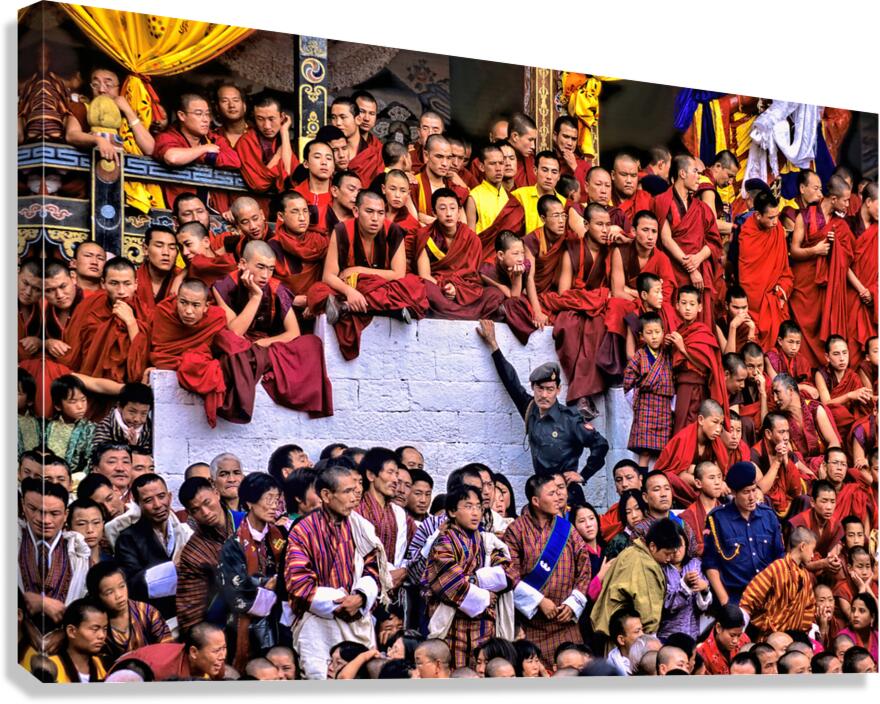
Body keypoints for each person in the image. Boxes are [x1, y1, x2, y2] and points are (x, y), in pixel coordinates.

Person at [477, 319, 609, 507]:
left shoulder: (569, 418)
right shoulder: (530, 409)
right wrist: (493, 345)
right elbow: (511, 382)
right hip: (541, 495)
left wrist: (584, 474)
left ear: (558, 390)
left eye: (549, 389)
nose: (544, 395)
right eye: (540, 389)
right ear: (533, 388)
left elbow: (601, 445)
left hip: (567, 497)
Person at [284, 464, 390, 680]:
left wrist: (360, 598)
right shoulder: (303, 530)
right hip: (318, 625)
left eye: (355, 491)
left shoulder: (361, 526)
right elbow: (298, 584)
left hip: (357, 618)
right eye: (347, 492)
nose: (354, 498)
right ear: (326, 495)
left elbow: (373, 567)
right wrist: (342, 602)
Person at [212, 240, 333, 421]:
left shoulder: (277, 288)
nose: (265, 275)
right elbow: (235, 332)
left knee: (311, 343)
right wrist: (256, 297)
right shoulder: (223, 286)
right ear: (243, 264)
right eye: (260, 267)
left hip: (262, 345)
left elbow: (293, 333)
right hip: (236, 345)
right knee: (230, 344)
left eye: (270, 269)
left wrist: (261, 343)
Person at [307, 189, 429, 360]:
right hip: (353, 288)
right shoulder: (342, 231)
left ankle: (345, 308)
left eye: (380, 213)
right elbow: (328, 276)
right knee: (317, 291)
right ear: (356, 212)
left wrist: (359, 270)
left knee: (414, 285)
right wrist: (350, 292)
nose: (375, 219)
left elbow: (399, 274)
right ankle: (392, 309)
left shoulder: (393, 231)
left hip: (380, 285)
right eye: (369, 212)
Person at [502, 475, 591, 669]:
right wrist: (539, 601)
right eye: (551, 493)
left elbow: (584, 569)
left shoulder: (567, 529)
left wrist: (572, 604)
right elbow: (509, 574)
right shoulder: (515, 531)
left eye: (559, 492)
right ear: (535, 501)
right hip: (532, 626)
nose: (559, 497)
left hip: (566, 623)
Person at [424, 485, 513, 668]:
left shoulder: (487, 541)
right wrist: (486, 596)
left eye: (479, 507)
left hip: (484, 629)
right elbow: (452, 585)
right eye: (468, 506)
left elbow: (507, 574)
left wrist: (474, 580)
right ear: (452, 511)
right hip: (452, 627)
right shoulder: (444, 542)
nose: (476, 513)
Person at [217, 472, 287, 670]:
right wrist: (268, 584)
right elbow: (236, 592)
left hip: (280, 620)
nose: (275, 506)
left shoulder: (279, 535)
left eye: (277, 499)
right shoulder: (235, 544)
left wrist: (274, 584)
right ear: (249, 503)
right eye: (268, 499)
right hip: (246, 626)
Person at [135, 279, 227, 426]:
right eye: (183, 302)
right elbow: (159, 354)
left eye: (196, 305)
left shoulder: (216, 317)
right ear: (176, 300)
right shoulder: (164, 312)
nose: (188, 311)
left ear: (206, 306)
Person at [789, 175, 857, 368]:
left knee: (823, 328)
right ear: (833, 199)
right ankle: (804, 370)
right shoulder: (805, 216)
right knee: (803, 328)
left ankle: (823, 371)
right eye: (845, 200)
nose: (848, 205)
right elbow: (794, 251)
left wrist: (837, 247)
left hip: (826, 289)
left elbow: (849, 259)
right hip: (805, 285)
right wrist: (815, 250)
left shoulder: (840, 226)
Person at [114, 473, 193, 627]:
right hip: (152, 621)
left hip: (187, 614)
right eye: (148, 500)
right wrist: (172, 568)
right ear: (138, 504)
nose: (158, 505)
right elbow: (131, 586)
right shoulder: (128, 538)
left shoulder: (183, 531)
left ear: (169, 497)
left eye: (161, 496)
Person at [703, 461, 785, 606]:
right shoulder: (718, 519)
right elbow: (711, 564)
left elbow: (779, 558)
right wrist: (726, 603)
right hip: (736, 598)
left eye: (754, 490)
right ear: (734, 493)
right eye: (746, 492)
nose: (752, 497)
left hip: (768, 596)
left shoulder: (768, 516)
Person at [415, 188, 505, 319]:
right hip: (439, 289)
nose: (448, 214)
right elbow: (424, 275)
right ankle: (469, 315)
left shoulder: (471, 239)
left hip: (465, 293)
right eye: (442, 208)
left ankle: (450, 313)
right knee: (424, 287)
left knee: (495, 294)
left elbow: (472, 276)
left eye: (452, 208)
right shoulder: (424, 235)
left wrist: (457, 289)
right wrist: (444, 287)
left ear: (459, 212)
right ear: (434, 212)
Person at [18, 478, 90, 637]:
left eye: (54, 513)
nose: (44, 520)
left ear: (65, 515)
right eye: (34, 509)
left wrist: (64, 633)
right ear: (23, 506)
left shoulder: (78, 553)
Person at [591, 518, 684, 637]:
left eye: (672, 554)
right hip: (629, 638)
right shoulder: (646, 566)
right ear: (652, 546)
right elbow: (648, 617)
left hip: (615, 631)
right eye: (666, 553)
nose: (669, 558)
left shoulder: (630, 551)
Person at [60, 258, 145, 385]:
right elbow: (72, 354)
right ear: (103, 283)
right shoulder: (88, 307)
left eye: (127, 284)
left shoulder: (145, 313)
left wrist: (131, 322)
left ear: (136, 284)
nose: (121, 291)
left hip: (129, 390)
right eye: (114, 283)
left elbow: (141, 367)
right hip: (90, 384)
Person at [175, 476, 244, 632]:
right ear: (189, 513)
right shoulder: (194, 553)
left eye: (207, 503)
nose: (205, 512)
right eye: (196, 510)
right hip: (224, 625)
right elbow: (191, 609)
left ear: (216, 493)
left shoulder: (247, 523)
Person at [153, 93, 241, 210]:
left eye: (207, 114)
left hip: (213, 208)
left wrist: (204, 157)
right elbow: (172, 157)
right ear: (182, 116)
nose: (205, 120)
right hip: (182, 209)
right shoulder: (167, 137)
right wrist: (203, 149)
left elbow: (234, 161)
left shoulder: (214, 139)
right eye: (199, 114)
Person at [735, 191, 793, 349]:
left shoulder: (778, 229)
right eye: (771, 217)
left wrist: (781, 290)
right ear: (758, 215)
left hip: (774, 300)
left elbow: (784, 268)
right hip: (753, 304)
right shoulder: (747, 235)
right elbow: (748, 279)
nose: (775, 222)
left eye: (777, 216)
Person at [666, 285, 727, 435]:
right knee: (680, 427)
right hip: (680, 387)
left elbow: (706, 364)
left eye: (692, 304)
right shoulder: (679, 331)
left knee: (690, 428)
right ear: (677, 305)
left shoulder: (703, 332)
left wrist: (682, 348)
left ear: (700, 307)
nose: (688, 308)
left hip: (695, 388)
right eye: (684, 303)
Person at [739, 526, 818, 639]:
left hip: (793, 638)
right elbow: (752, 595)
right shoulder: (777, 568)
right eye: (812, 550)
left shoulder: (805, 575)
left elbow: (809, 607)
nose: (813, 555)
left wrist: (801, 631)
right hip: (770, 637)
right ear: (803, 546)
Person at [86, 561, 172, 664]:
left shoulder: (147, 612)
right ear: (97, 597)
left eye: (122, 586)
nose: (119, 595)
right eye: (109, 592)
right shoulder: (96, 625)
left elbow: (168, 648)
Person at [623, 311, 674, 465]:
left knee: (663, 451)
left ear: (663, 333)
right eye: (649, 333)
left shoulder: (668, 356)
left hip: (664, 407)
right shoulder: (640, 355)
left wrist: (673, 404)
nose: (654, 336)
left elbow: (674, 379)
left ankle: (658, 482)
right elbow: (628, 380)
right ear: (642, 336)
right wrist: (636, 400)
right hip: (646, 406)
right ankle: (642, 482)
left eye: (657, 332)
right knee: (644, 452)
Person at [654, 399, 728, 506]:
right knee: (670, 478)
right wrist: (705, 483)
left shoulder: (716, 443)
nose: (718, 429)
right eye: (715, 422)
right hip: (686, 487)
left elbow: (719, 470)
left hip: (706, 484)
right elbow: (678, 474)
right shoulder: (683, 439)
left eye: (721, 424)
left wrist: (716, 481)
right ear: (701, 420)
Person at [356, 447, 415, 577]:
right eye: (390, 472)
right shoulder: (356, 511)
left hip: (395, 588)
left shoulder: (399, 514)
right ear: (371, 475)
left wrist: (404, 570)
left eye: (396, 474)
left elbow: (416, 545)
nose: (395, 480)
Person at [20, 598, 108, 683]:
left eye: (105, 629)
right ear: (71, 631)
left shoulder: (104, 666)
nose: (102, 635)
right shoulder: (49, 667)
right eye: (95, 629)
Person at [268, 191, 330, 308]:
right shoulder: (273, 247)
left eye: (305, 211)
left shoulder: (320, 241)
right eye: (295, 212)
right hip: (285, 308)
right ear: (281, 216)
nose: (302, 218)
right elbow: (266, 283)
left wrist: (315, 300)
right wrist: (291, 299)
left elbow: (332, 275)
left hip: (318, 304)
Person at [234, 95, 295, 211]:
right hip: (254, 207)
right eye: (260, 119)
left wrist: (285, 132)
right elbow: (258, 183)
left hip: (284, 208)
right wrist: (278, 156)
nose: (266, 126)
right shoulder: (247, 142)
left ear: (282, 117)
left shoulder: (285, 141)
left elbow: (290, 173)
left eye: (271, 119)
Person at [110, 621, 227, 681]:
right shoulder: (162, 671)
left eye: (224, 648)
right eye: (216, 651)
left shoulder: (215, 662)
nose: (222, 656)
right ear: (194, 652)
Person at [749, 412, 807, 519]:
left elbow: (796, 490)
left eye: (787, 432)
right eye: (781, 432)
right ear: (768, 434)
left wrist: (785, 460)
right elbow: (760, 489)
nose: (786, 437)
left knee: (804, 500)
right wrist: (777, 461)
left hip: (786, 501)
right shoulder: (755, 454)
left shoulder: (787, 452)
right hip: (768, 503)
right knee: (764, 501)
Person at [815, 335, 872, 442]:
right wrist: (849, 395)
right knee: (839, 412)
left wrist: (873, 398)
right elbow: (826, 404)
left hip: (851, 417)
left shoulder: (852, 376)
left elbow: (863, 401)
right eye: (836, 354)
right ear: (827, 357)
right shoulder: (821, 374)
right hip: (832, 419)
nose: (842, 358)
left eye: (845, 353)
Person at [658, 530, 711, 641]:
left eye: (680, 545)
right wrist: (685, 586)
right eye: (673, 546)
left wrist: (704, 590)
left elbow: (704, 607)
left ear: (686, 545)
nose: (677, 551)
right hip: (668, 636)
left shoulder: (696, 564)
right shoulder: (661, 570)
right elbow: (668, 606)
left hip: (692, 634)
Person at [43, 374, 95, 477]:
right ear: (58, 406)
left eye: (83, 400)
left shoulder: (90, 429)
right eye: (73, 401)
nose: (80, 406)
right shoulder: (47, 426)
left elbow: (91, 461)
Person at [411, 134, 468, 224]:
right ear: (426, 155)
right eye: (439, 157)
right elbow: (409, 221)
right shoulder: (414, 184)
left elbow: (462, 226)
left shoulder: (454, 188)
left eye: (449, 158)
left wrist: (426, 219)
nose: (445, 163)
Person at [331, 96, 383, 187]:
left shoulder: (375, 155)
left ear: (358, 119)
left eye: (343, 117)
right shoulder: (327, 152)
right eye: (334, 117)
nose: (338, 123)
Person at [134, 226, 183, 320]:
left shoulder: (183, 280)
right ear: (145, 249)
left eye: (172, 247)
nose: (166, 252)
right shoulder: (132, 280)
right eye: (159, 246)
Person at [679, 461, 724, 556]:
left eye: (719, 477)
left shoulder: (728, 512)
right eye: (712, 478)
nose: (717, 482)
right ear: (698, 483)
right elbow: (689, 551)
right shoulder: (687, 517)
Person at [91, 382, 153, 452]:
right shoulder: (106, 426)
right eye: (132, 412)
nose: (137, 419)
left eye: (143, 413)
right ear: (120, 407)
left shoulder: (148, 429)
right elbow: (99, 454)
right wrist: (129, 447)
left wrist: (134, 447)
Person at [465, 143, 509, 236]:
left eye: (501, 163)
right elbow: (471, 237)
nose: (498, 168)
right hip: (484, 248)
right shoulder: (474, 197)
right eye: (492, 164)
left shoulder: (509, 196)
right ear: (482, 167)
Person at [176, 221, 237, 288]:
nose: (184, 252)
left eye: (188, 244)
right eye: (181, 248)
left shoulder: (229, 260)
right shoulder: (187, 274)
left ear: (206, 242)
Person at [695, 602, 747, 675]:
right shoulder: (702, 653)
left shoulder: (744, 640)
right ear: (718, 628)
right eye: (732, 635)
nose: (736, 641)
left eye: (739, 635)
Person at [765, 321, 816, 394]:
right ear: (780, 341)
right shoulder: (771, 357)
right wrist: (803, 387)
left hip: (797, 396)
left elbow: (811, 388)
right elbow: (777, 385)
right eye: (790, 342)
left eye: (798, 343)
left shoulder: (801, 360)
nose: (794, 348)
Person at [599, 460, 644, 543]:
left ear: (640, 479)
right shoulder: (611, 515)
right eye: (619, 480)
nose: (624, 484)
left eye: (629, 478)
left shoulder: (652, 506)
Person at [609, 153, 654, 235]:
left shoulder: (646, 199)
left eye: (633, 176)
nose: (629, 180)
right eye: (624, 175)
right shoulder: (605, 197)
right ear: (613, 175)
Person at [294, 140, 335, 229]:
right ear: (306, 163)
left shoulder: (340, 197)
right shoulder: (294, 196)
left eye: (329, 158)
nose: (324, 162)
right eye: (317, 157)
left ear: (334, 166)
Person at [67, 498, 107, 567]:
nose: (90, 530)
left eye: (96, 522)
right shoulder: (63, 563)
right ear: (69, 528)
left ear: (103, 524)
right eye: (81, 524)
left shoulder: (111, 562)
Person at [508, 112, 538, 188]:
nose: (533, 146)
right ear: (515, 136)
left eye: (534, 141)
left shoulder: (532, 158)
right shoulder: (493, 159)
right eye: (530, 140)